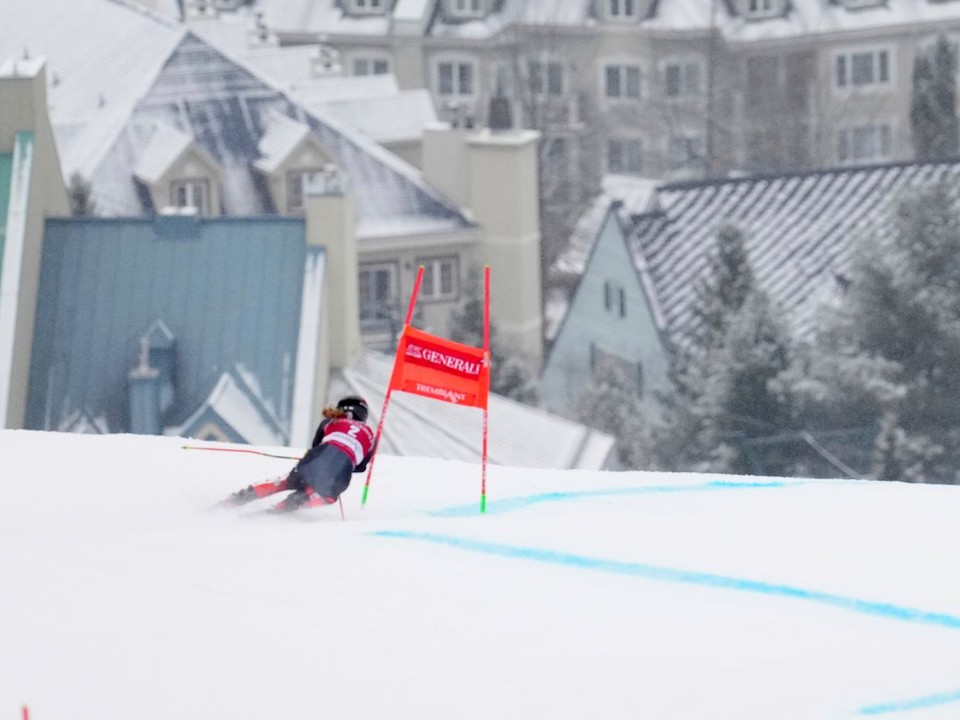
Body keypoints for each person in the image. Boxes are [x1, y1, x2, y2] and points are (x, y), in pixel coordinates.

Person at [220, 396, 376, 513]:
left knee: (288, 481)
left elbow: (316, 444)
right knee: (325, 495)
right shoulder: (370, 435)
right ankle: (283, 509)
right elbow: (360, 467)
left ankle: (235, 500)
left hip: (319, 455)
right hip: (342, 470)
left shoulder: (331, 421)